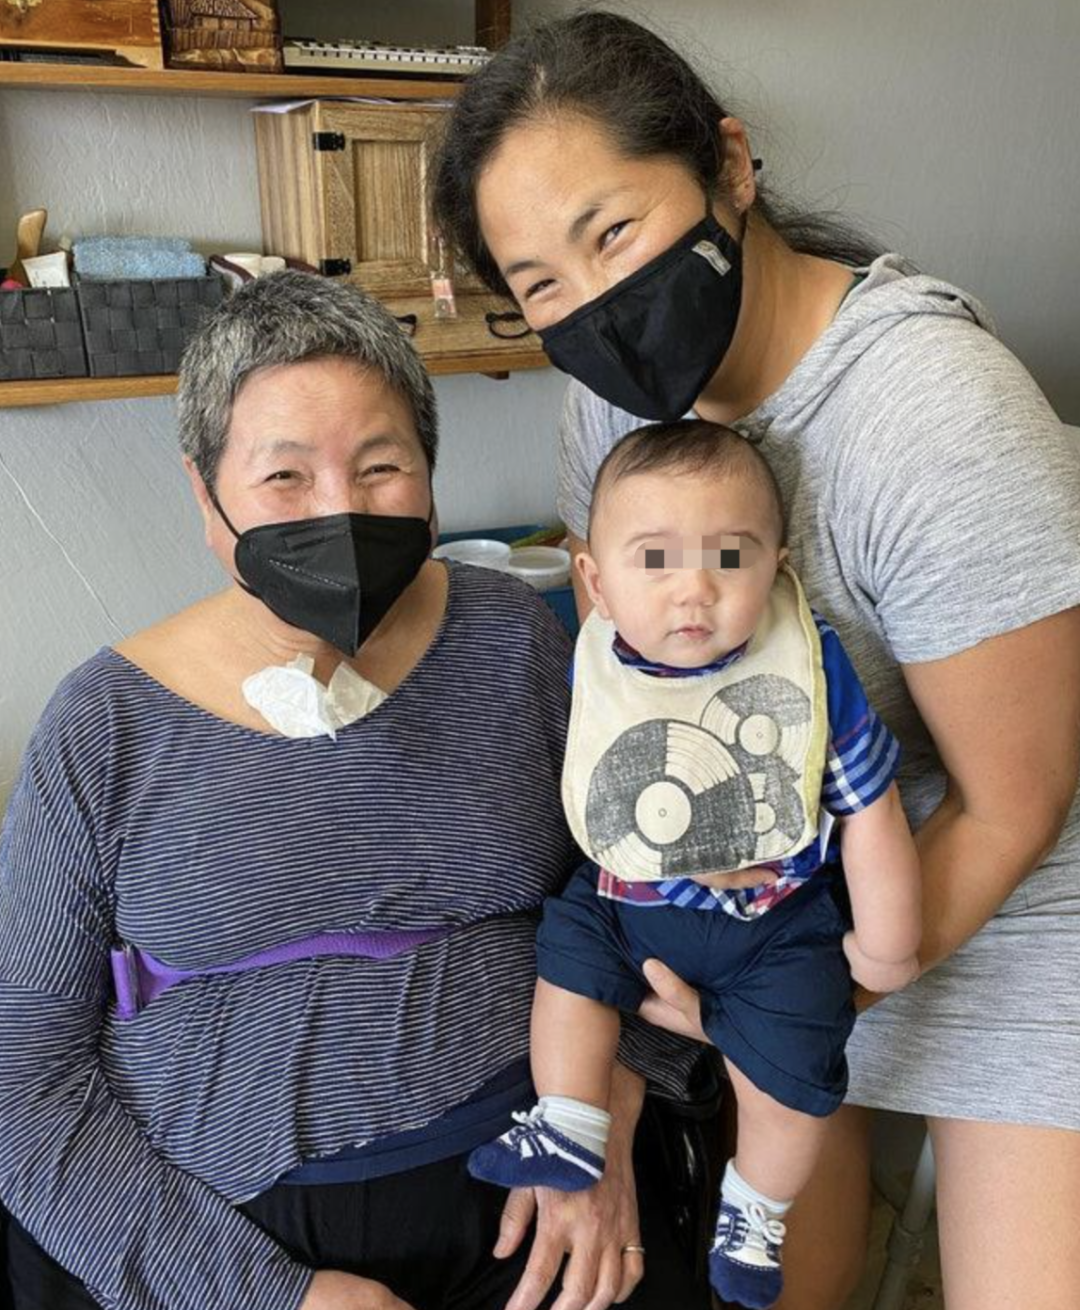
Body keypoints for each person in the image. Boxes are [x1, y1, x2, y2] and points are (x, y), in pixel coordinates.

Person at [430, 12, 1080, 1310]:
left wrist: (790, 986)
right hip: (768, 874)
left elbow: (1019, 798)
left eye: (615, 232)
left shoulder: (936, 419)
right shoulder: (610, 411)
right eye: (540, 281)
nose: (594, 304)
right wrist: (629, 1048)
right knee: (777, 1278)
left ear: (728, 166)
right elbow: (630, 683)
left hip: (994, 885)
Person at [0, 271, 714, 1310]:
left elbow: (649, 898)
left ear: (429, 474)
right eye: (284, 476)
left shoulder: (516, 642)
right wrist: (262, 1294)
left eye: (381, 466)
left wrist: (605, 1116)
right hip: (227, 1224)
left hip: (540, 1177)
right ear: (205, 494)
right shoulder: (104, 724)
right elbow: (23, 1080)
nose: (338, 510)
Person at [467, 419, 921, 1308]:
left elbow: (872, 806)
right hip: (624, 905)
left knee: (797, 1068)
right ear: (595, 581)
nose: (694, 590)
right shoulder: (597, 664)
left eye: (730, 557)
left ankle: (757, 1209)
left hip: (775, 925)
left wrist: (888, 943)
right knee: (565, 952)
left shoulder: (807, 669)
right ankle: (570, 1119)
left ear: (777, 568)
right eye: (655, 559)